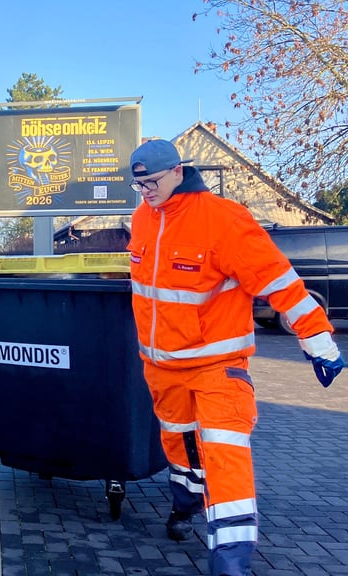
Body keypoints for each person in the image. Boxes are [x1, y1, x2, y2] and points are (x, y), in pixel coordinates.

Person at [126, 138, 344, 576]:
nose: (146, 190)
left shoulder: (224, 221)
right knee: (180, 446)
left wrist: (317, 335)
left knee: (225, 454)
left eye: (151, 181)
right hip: (163, 368)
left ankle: (231, 558)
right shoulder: (143, 218)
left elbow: (277, 279)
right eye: (139, 185)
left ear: (177, 172)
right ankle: (184, 506)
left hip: (216, 367)